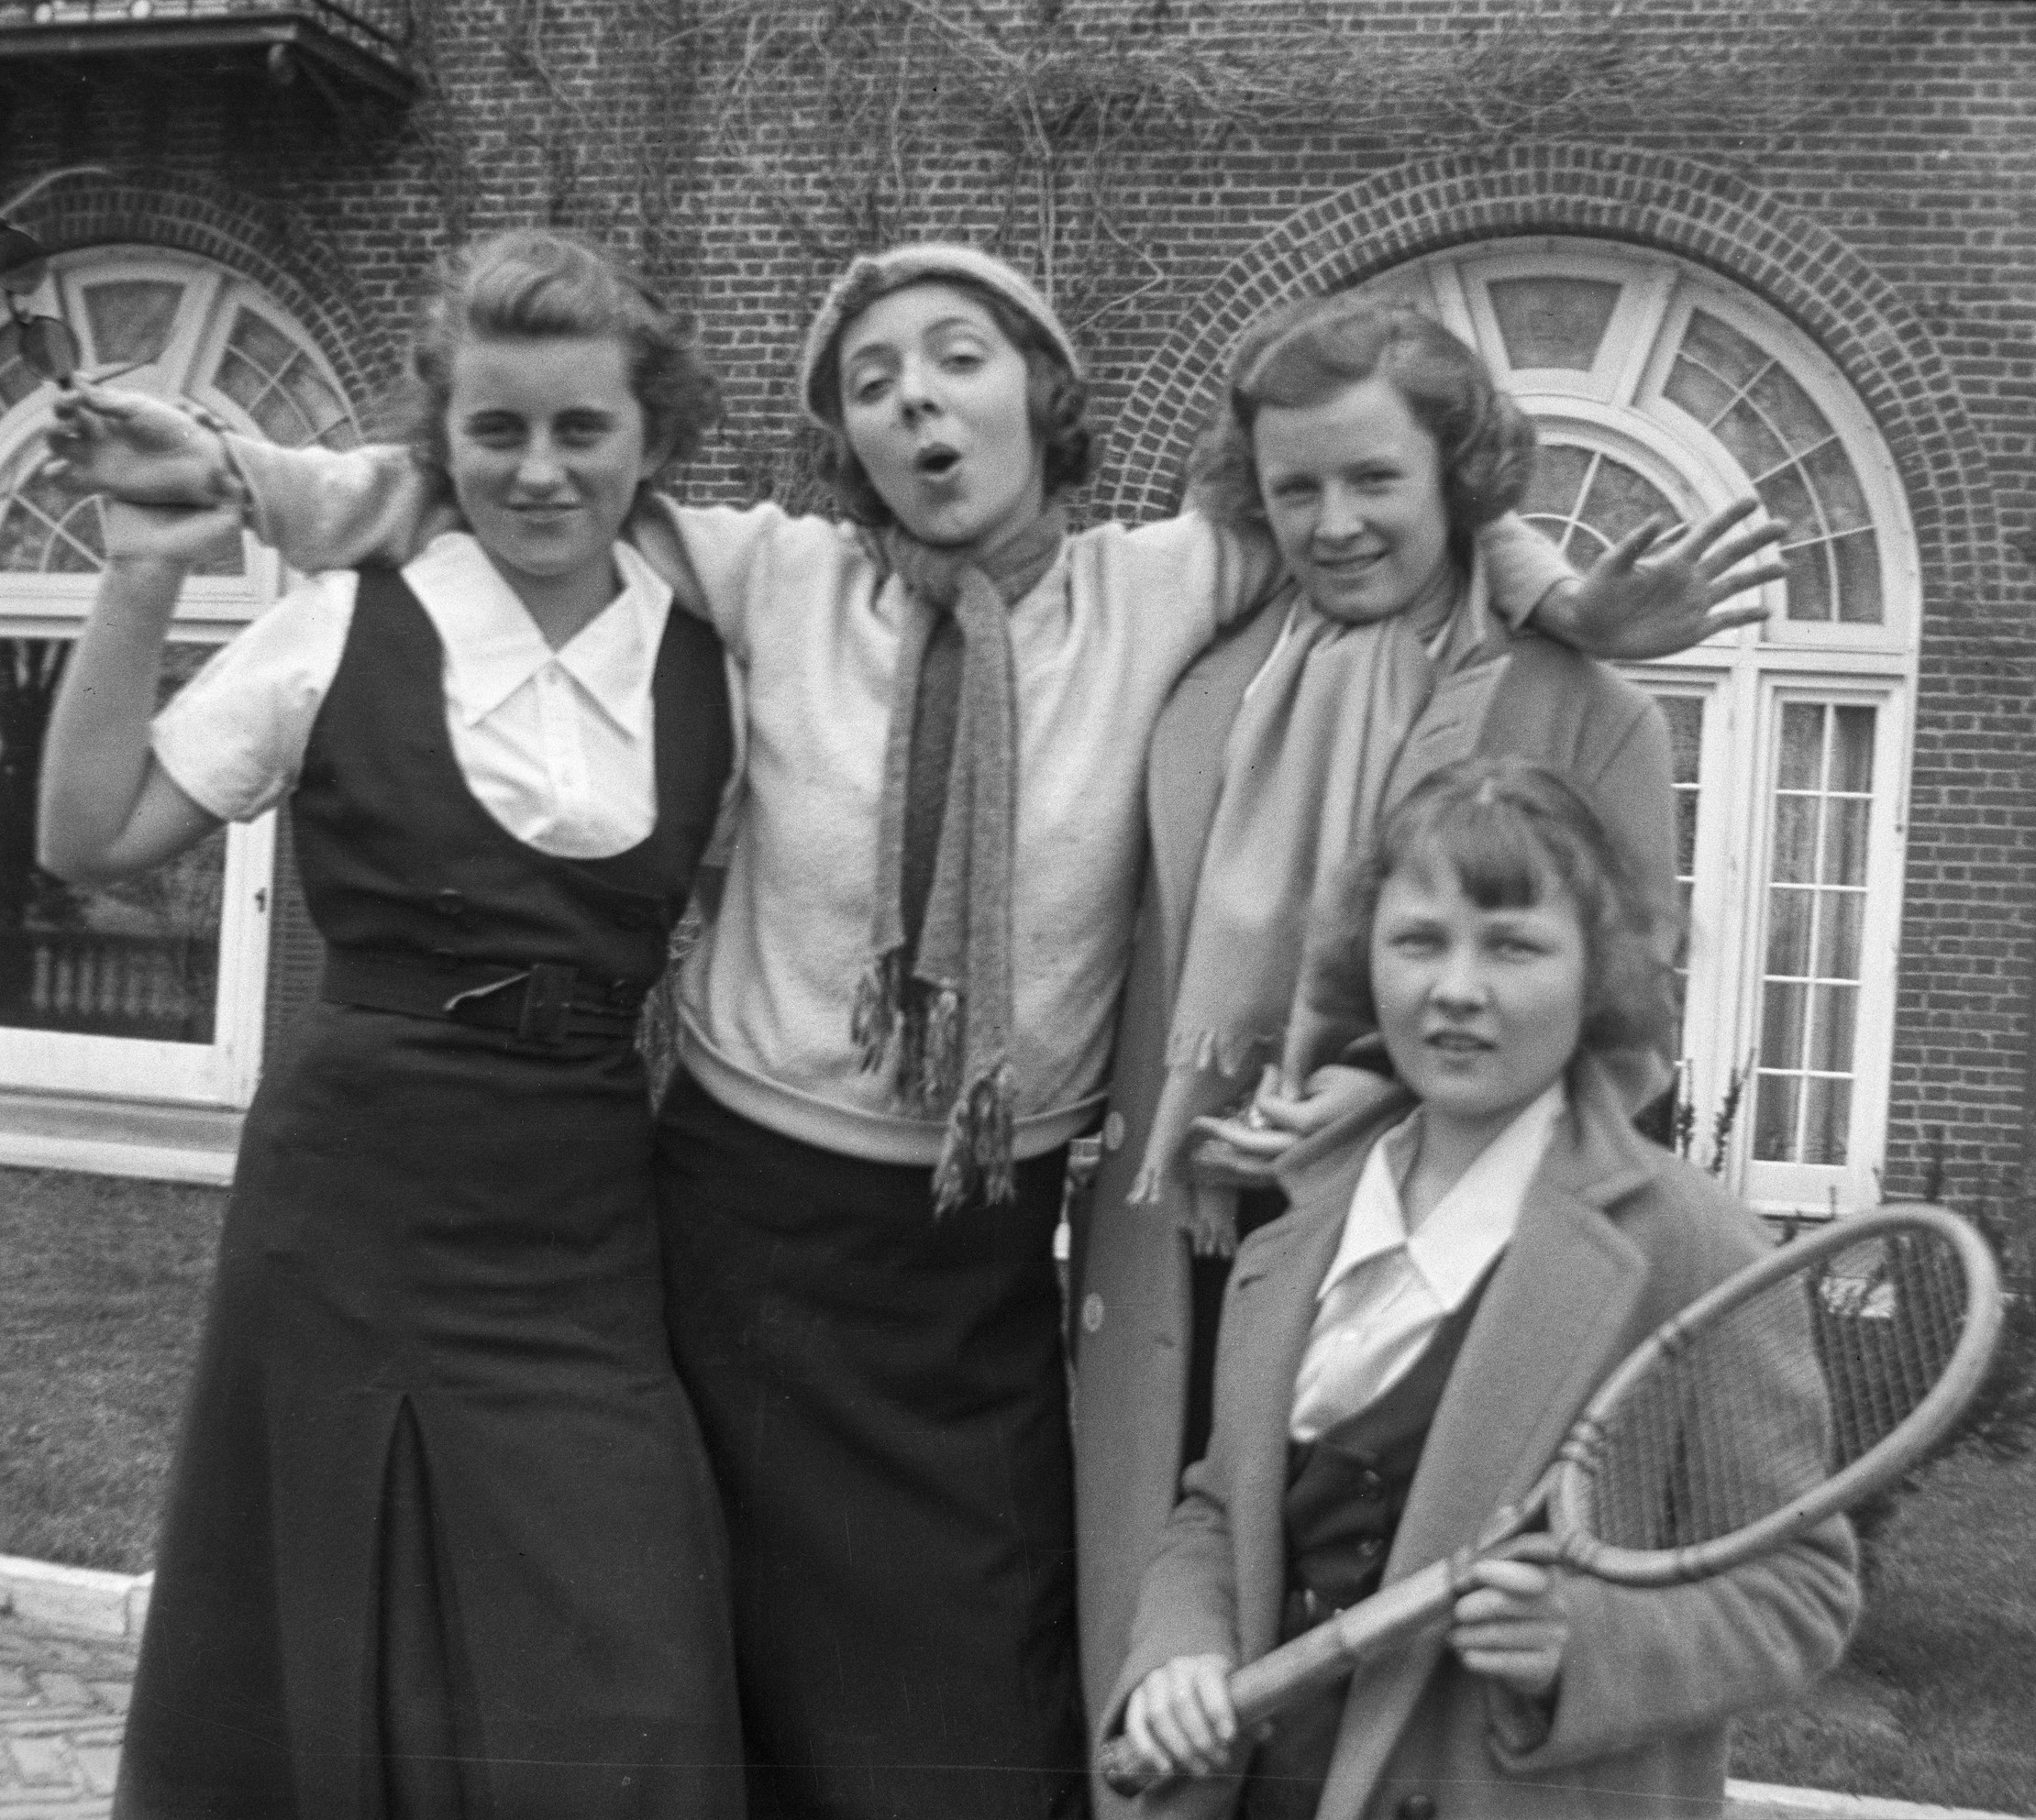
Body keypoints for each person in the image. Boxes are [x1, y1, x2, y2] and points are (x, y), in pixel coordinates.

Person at [47, 242, 1776, 1820]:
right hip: (727, 1220)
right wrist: (241, 483)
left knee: (961, 1714)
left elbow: (1390, 495)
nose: (914, 401)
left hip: (975, 1253)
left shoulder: (1165, 584)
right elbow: (512, 475)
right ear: (840, 436)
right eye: (870, 380)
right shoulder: (768, 574)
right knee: (712, 1664)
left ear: (1042, 390)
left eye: (957, 357)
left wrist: (1560, 588)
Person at [38, 229, 744, 1819]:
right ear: (440, 443)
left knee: (618, 1665)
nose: (541, 472)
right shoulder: (346, 623)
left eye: (583, 430)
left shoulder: (713, 659)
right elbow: (90, 839)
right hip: (349, 1205)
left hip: (577, 1221)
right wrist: (147, 564)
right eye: (495, 431)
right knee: (327, 1655)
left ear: (650, 440)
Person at [1066, 293, 1780, 1758]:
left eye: (1375, 480)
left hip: (1454, 1238)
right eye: (1296, 488)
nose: (1334, 521)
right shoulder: (1210, 681)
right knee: (1208, 1601)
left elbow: (1630, 1027)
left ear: (1455, 477)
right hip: (1200, 1229)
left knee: (1409, 1679)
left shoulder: (1576, 703)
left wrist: (1378, 1092)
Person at [1103, 756, 1860, 1820]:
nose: (1458, 987)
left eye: (1513, 944)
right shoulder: (1301, 1226)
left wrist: (1582, 1641)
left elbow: (1802, 1595)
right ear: (1366, 958)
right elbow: (1220, 1511)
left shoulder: (1692, 1245)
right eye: (1419, 940)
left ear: (1599, 970)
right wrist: (1179, 1652)